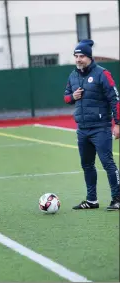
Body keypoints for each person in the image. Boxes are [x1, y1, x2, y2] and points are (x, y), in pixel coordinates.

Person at [64, 39, 120, 211]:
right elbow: (66, 98)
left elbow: (115, 99)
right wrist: (73, 96)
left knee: (107, 163)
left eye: (82, 56)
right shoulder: (73, 76)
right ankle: (91, 200)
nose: (78, 59)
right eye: (76, 56)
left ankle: (117, 199)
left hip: (100, 128)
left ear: (89, 57)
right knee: (87, 165)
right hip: (82, 129)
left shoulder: (102, 74)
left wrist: (117, 124)